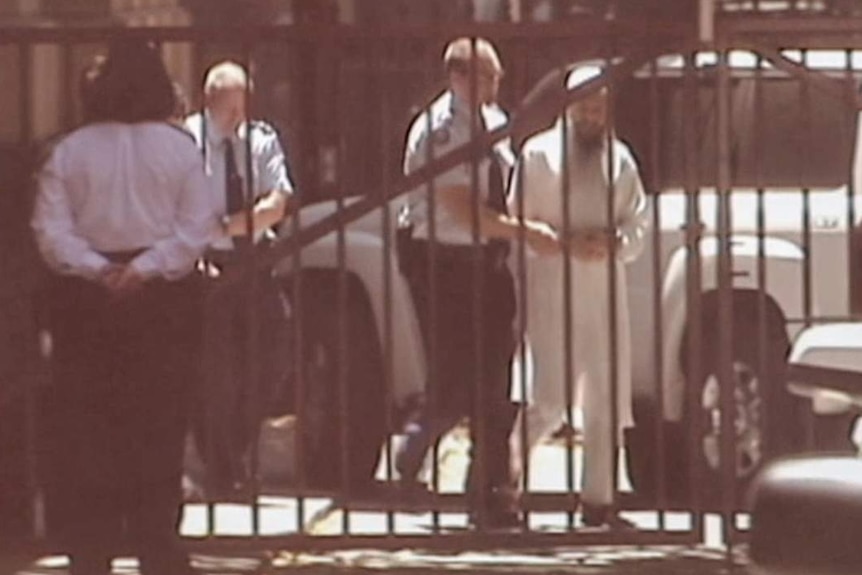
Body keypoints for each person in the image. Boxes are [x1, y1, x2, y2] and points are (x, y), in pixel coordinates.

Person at [31, 39, 217, 575]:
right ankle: (157, 542)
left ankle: (92, 548)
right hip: (163, 300)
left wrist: (96, 267)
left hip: (86, 303)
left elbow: (50, 231)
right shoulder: (180, 149)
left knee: (89, 426)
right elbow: (195, 229)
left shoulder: (69, 151)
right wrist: (146, 266)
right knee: (160, 424)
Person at [397, 37, 560, 529]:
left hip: (487, 258)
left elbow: (503, 189)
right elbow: (461, 209)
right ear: (459, 77)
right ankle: (414, 452)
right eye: (488, 77)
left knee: (497, 373)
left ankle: (489, 492)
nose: (496, 85)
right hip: (441, 258)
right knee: (454, 376)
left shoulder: (493, 121)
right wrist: (524, 232)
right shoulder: (441, 129)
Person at [509, 64, 648, 529]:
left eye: (599, 104)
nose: (592, 113)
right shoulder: (537, 155)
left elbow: (637, 223)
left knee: (604, 400)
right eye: (585, 103)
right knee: (546, 398)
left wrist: (612, 243)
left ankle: (598, 501)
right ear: (568, 105)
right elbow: (517, 224)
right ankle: (508, 480)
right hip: (551, 288)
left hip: (603, 291)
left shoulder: (621, 159)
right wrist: (565, 242)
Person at [184, 60, 296, 495]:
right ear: (210, 103)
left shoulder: (260, 139)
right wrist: (207, 236)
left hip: (254, 259)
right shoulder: (187, 141)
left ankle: (234, 447)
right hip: (207, 265)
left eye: (242, 106)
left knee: (274, 355)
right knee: (217, 373)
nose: (238, 117)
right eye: (231, 108)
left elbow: (278, 202)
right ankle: (224, 465)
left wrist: (227, 225)